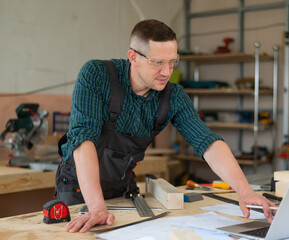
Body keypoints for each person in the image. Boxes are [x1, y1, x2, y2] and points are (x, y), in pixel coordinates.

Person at [56, 19, 276, 233]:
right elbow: (83, 139)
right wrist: (96, 207)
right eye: (158, 62)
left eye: (172, 62)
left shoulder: (173, 96)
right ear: (133, 57)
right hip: (78, 190)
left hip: (122, 189)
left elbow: (207, 142)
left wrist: (244, 190)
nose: (167, 72)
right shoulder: (97, 75)